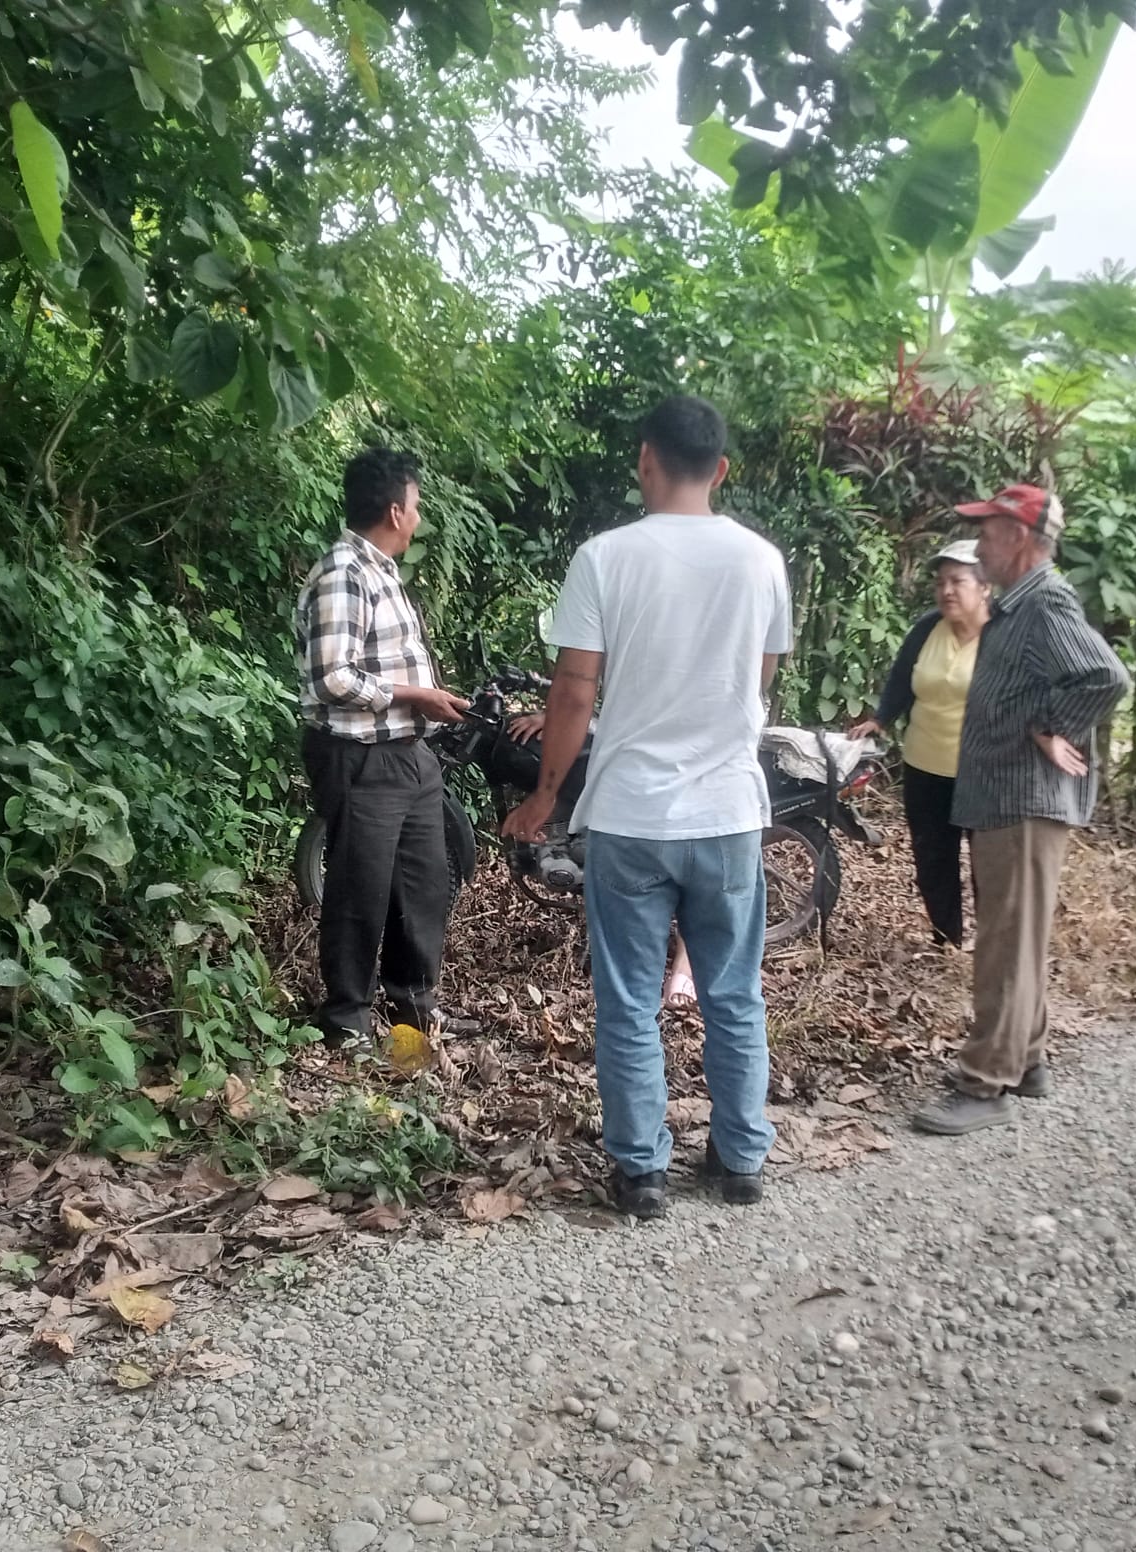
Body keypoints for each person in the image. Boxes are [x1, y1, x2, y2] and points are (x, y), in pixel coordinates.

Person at [501, 395, 793, 1218]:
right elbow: (760, 677)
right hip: (727, 813)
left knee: (629, 999)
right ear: (721, 469)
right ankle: (740, 1159)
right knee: (733, 992)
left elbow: (573, 691)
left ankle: (641, 1175)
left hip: (630, 817)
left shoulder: (604, 558)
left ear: (645, 460)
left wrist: (546, 795)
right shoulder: (762, 561)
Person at [911, 484, 1130, 1137]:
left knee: (1004, 945)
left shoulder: (1044, 602)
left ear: (1020, 539)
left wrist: (1049, 725)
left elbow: (1105, 676)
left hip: (1023, 799)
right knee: (1017, 935)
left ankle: (984, 1083)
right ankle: (1026, 1059)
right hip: (1007, 799)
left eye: (987, 534)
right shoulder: (1019, 604)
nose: (979, 547)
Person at [295, 448, 471, 1046]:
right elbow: (331, 678)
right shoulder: (343, 573)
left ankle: (413, 1012)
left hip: (407, 754)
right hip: (360, 755)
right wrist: (415, 695)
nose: (418, 518)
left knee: (422, 884)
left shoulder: (380, 571)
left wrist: (425, 704)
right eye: (416, 506)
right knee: (360, 889)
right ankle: (346, 1020)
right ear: (396, 511)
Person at [849, 538, 991, 949]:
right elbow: (902, 677)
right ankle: (946, 940)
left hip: (983, 771)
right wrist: (880, 718)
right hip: (925, 764)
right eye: (940, 582)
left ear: (985, 586)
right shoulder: (928, 627)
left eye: (957, 581)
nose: (946, 591)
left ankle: (992, 945)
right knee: (932, 858)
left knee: (988, 863)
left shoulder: (1004, 634)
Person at [509, 710, 700, 1010]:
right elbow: (599, 701)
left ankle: (684, 967)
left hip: (690, 763)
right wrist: (559, 717)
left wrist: (563, 716)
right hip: (635, 761)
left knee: (687, 865)